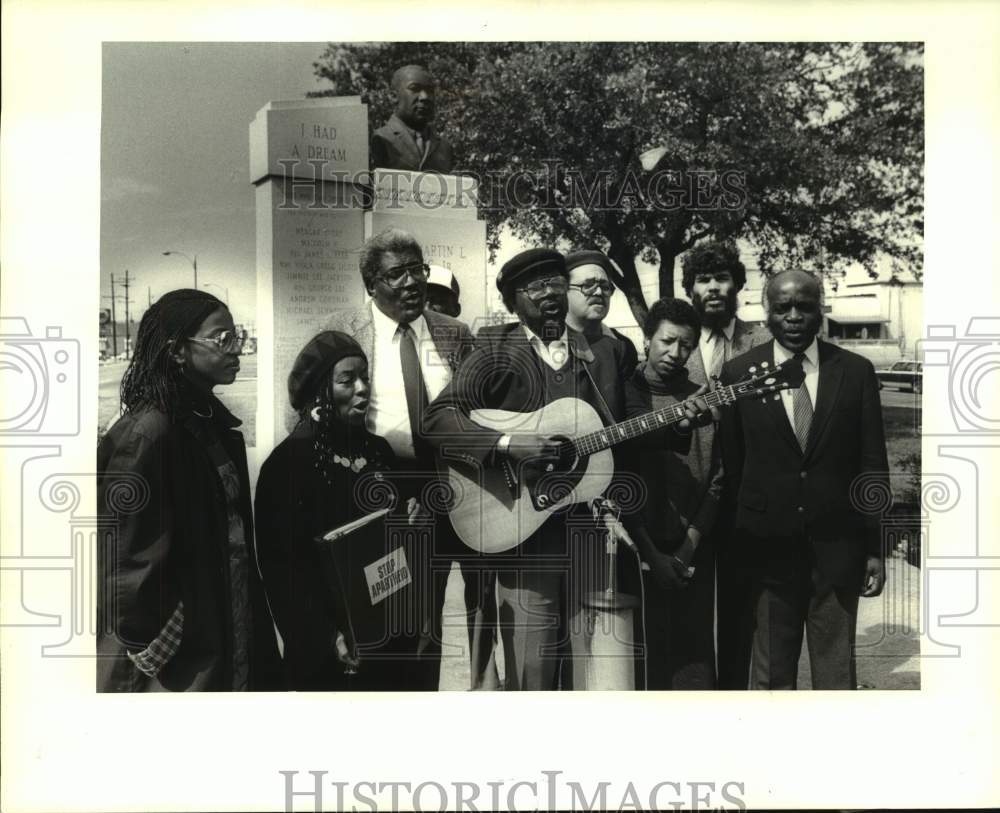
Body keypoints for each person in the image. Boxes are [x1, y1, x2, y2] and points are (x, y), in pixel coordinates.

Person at [424, 249, 705, 689]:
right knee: (532, 672)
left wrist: (677, 424)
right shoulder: (496, 347)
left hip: (588, 532)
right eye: (536, 286)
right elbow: (438, 418)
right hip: (522, 530)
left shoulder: (605, 353)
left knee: (591, 668)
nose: (550, 293)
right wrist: (507, 444)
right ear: (513, 299)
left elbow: (620, 432)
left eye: (556, 282)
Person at [321, 228, 497, 690]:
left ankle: (484, 695)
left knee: (483, 608)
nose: (411, 282)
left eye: (417, 269)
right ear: (370, 284)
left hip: (463, 492)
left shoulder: (455, 335)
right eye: (396, 273)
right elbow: (317, 420)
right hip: (391, 501)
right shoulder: (343, 334)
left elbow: (483, 412)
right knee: (407, 618)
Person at [96, 289, 281, 692]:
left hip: (225, 621)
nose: (237, 349)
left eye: (238, 337)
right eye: (223, 339)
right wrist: (157, 642)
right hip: (178, 657)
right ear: (178, 351)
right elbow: (126, 561)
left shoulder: (208, 422)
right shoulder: (148, 434)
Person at [718, 270, 888, 690]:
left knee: (835, 676)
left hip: (838, 548)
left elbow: (872, 465)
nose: (794, 316)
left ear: (821, 309)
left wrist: (874, 547)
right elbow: (734, 468)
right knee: (773, 673)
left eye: (804, 306)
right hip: (767, 552)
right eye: (783, 307)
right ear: (766, 312)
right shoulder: (739, 374)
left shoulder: (855, 371)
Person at [254, 331, 430, 690]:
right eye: (348, 380)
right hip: (332, 649)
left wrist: (416, 518)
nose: (363, 388)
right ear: (319, 391)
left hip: (390, 633)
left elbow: (402, 536)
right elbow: (281, 569)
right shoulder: (288, 466)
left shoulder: (380, 452)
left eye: (365, 377)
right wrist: (323, 635)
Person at [622, 298, 723, 689]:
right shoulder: (622, 393)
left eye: (686, 345)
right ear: (646, 339)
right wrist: (650, 552)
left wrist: (687, 549)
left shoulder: (704, 399)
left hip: (691, 550)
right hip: (634, 548)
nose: (675, 353)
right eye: (666, 341)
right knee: (638, 661)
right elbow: (618, 479)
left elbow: (718, 477)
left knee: (693, 662)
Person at [681, 239, 767, 690]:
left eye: (721, 278)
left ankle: (734, 698)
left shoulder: (765, 340)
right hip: (691, 495)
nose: (713, 288)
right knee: (691, 609)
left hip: (744, 497)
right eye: (703, 280)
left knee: (740, 609)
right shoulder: (678, 343)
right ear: (690, 288)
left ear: (736, 284)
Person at [564, 250, 639, 414]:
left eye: (605, 287)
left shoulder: (623, 346)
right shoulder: (542, 342)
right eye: (588, 285)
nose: (599, 292)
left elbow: (632, 409)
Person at [372, 64, 455, 173]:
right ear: (393, 96)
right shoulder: (379, 139)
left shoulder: (445, 148)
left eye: (430, 90)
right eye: (414, 88)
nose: (425, 97)